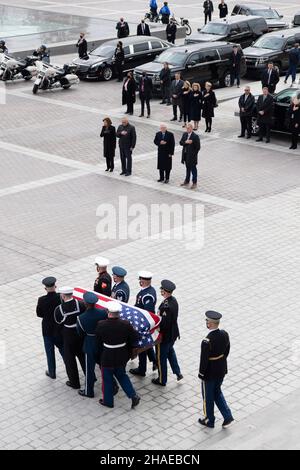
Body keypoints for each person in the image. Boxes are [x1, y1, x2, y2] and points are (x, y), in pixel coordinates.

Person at [96, 301, 141, 409]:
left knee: (107, 379)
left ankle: (108, 401)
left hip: (107, 356)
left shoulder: (101, 325)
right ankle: (133, 396)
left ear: (108, 312)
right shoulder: (126, 324)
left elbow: (97, 342)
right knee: (122, 375)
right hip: (121, 355)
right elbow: (135, 337)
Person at [198, 311, 234, 429]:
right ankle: (227, 416)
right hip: (221, 369)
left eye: (207, 321)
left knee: (208, 397)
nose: (206, 323)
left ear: (211, 324)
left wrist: (201, 374)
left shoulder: (207, 340)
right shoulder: (224, 334)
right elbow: (227, 351)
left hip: (210, 373)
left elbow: (204, 360)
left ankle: (210, 420)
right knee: (217, 392)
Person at [54, 287, 86, 389]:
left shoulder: (59, 309)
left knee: (70, 360)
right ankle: (90, 377)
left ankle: (74, 382)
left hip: (68, 335)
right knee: (82, 357)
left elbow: (58, 322)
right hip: (79, 333)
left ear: (63, 296)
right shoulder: (81, 304)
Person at [77, 292, 107, 398]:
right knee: (104, 367)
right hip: (101, 343)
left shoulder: (81, 318)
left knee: (89, 369)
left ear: (85, 303)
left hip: (89, 344)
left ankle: (88, 391)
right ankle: (112, 385)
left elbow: (80, 333)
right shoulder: (103, 313)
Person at [152, 280, 183, 386]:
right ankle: (178, 372)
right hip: (173, 334)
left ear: (165, 291)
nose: (161, 291)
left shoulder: (166, 307)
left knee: (161, 358)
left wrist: (157, 330)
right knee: (170, 352)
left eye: (162, 289)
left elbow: (164, 324)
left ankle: (162, 379)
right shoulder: (173, 301)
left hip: (165, 336)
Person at [129, 271, 157, 377]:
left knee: (142, 346)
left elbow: (147, 311)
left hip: (144, 324)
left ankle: (142, 369)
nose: (140, 281)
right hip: (143, 322)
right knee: (147, 345)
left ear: (144, 281)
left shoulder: (148, 295)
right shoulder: (147, 291)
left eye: (141, 280)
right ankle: (154, 361)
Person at [36, 277, 63, 380]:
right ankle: (70, 369)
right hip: (58, 328)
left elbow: (39, 314)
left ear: (45, 288)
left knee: (49, 351)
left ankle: (52, 372)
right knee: (63, 350)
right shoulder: (60, 297)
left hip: (47, 329)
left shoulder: (41, 300)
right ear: (55, 286)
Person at [180, 122, 201, 189]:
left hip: (192, 156)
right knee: (187, 168)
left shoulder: (195, 136)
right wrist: (185, 142)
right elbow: (181, 142)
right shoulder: (185, 134)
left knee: (193, 169)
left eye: (188, 128)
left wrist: (193, 154)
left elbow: (198, 147)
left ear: (192, 128)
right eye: (187, 128)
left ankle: (194, 182)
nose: (187, 129)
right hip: (185, 155)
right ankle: (187, 180)